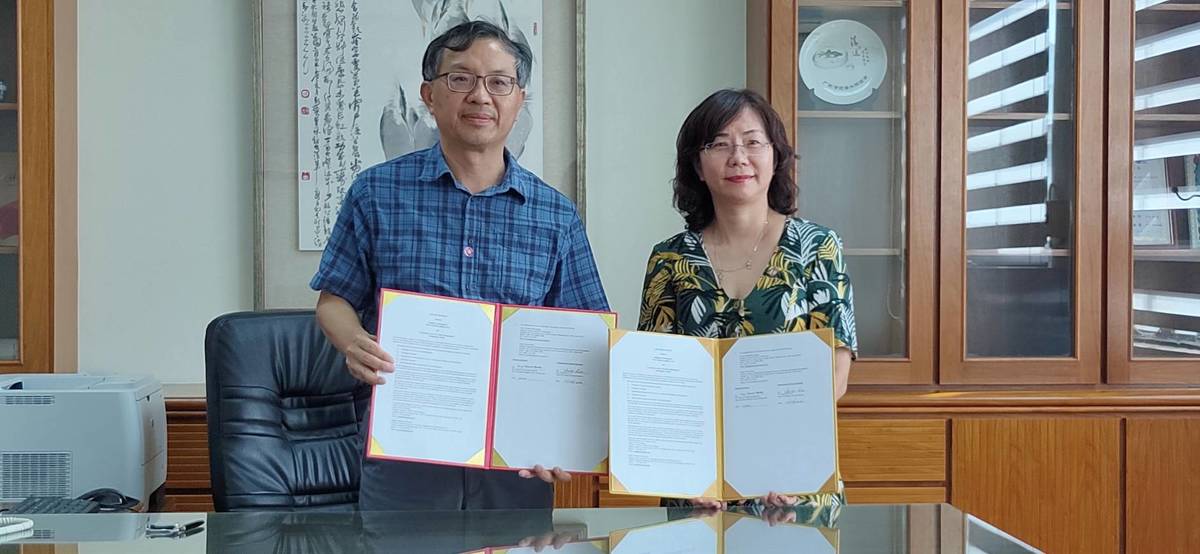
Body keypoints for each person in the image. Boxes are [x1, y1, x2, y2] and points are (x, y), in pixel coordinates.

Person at [310, 20, 608, 511]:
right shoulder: (376, 193)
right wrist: (353, 341)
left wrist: (565, 435)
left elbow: (585, 336)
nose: (481, 96)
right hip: (404, 451)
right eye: (461, 79)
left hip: (517, 460)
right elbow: (333, 301)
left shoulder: (555, 214)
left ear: (519, 99)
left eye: (499, 82)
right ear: (429, 95)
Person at [638, 88, 858, 510]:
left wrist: (780, 461)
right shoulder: (670, 258)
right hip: (696, 485)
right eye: (719, 144)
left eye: (753, 142)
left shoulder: (818, 246)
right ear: (697, 166)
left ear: (775, 157)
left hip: (794, 479)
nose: (738, 156)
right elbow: (657, 380)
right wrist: (682, 474)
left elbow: (835, 373)